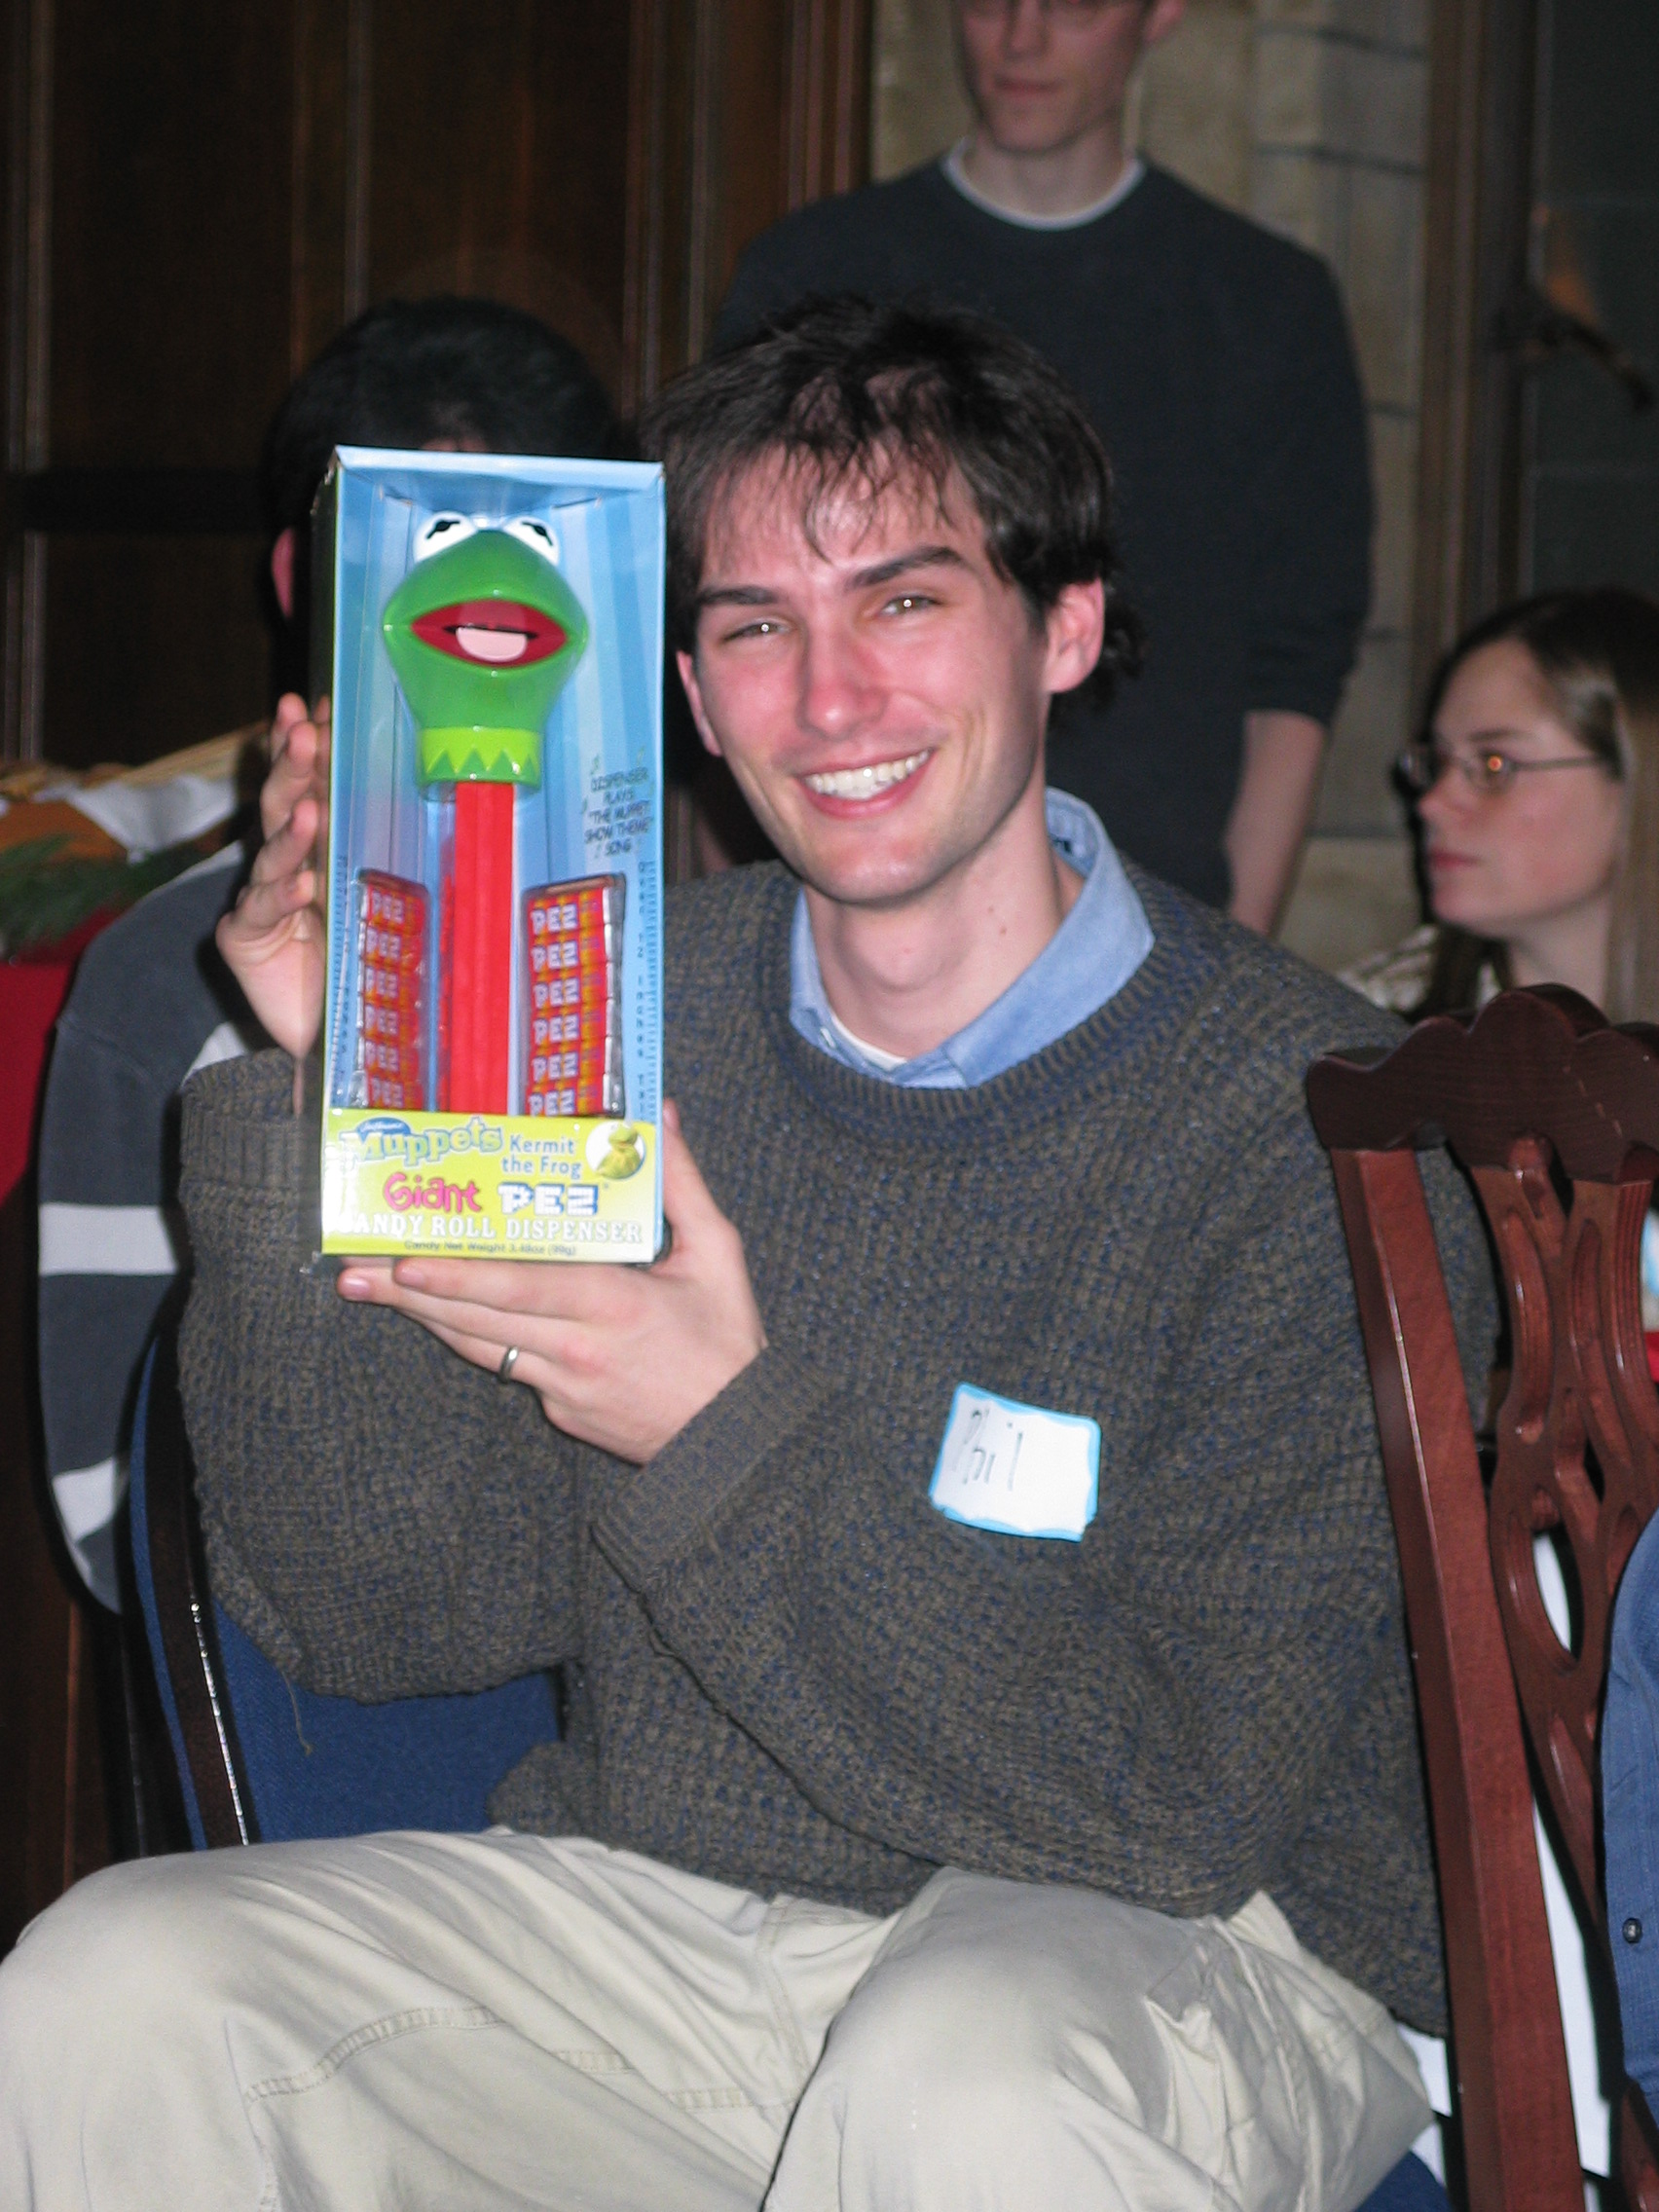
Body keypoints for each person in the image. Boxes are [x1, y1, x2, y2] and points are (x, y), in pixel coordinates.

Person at [0, 298, 1482, 2211]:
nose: (829, 699)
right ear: (690, 695)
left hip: (1185, 1936)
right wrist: (331, 1085)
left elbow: (1177, 1790)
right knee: (108, 1991)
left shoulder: (1310, 1122)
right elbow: (393, 1613)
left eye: (903, 601)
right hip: (676, 1926)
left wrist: (711, 1423)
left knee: (955, 2083)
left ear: (1066, 624)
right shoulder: (613, 1018)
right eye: (755, 627)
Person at [35, 296, 618, 1607]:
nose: (480, 599)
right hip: (336, 1671)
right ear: (310, 580)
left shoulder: (664, 955)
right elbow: (113, 1525)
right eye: (423, 542)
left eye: (534, 546)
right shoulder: (169, 979)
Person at [713, 0, 1372, 931]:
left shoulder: (1264, 300)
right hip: (853, 902)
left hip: (1163, 903)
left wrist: (1232, 955)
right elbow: (725, 610)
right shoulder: (815, 266)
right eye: (992, 1)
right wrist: (749, 933)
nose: (1022, 40)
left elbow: (1296, 665)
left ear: (1159, 13)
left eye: (1072, 6)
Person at [1345, 588, 1659, 1024]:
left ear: (1638, 780)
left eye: (1496, 764)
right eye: (1437, 763)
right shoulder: (1360, 1031)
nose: (1432, 804)